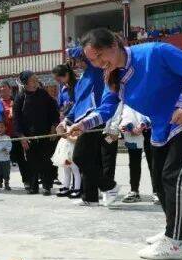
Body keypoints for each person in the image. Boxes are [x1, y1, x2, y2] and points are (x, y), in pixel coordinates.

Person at [68, 28, 182, 260]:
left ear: (113, 46)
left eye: (99, 56)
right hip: (163, 124)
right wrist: (83, 125)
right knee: (159, 179)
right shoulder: (112, 76)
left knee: (173, 176)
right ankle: (176, 230)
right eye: (91, 60)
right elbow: (106, 109)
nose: (97, 64)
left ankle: (175, 244)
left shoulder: (155, 52)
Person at [60, 47, 120, 207]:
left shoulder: (96, 71)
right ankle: (90, 196)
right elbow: (78, 104)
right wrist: (65, 120)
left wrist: (75, 51)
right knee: (89, 158)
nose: (77, 63)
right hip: (82, 121)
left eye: (79, 59)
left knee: (79, 157)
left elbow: (88, 55)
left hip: (94, 119)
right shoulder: (81, 80)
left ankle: (109, 186)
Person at [14, 70, 59, 195]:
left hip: (45, 134)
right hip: (28, 137)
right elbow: (16, 120)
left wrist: (54, 127)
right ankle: (33, 186)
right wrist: (21, 137)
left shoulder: (44, 94)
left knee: (46, 160)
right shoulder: (20, 98)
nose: (36, 82)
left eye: (36, 79)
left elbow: (54, 112)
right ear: (26, 83)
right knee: (31, 161)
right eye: (33, 80)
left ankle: (46, 185)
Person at [111, 103, 157, 204]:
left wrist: (143, 125)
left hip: (150, 130)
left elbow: (153, 107)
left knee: (153, 162)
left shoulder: (146, 88)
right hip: (131, 132)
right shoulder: (125, 92)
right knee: (134, 163)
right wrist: (125, 126)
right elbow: (122, 112)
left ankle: (157, 191)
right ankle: (134, 191)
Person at [0, 79, 29, 188]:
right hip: (1, 137)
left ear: (9, 89)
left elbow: (22, 117)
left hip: (15, 135)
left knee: (21, 159)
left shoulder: (16, 101)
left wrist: (23, 134)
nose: (1, 88)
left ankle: (27, 181)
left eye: (4, 86)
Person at [51, 64, 80, 198]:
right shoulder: (63, 89)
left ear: (66, 75)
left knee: (74, 161)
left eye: (59, 78)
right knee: (65, 161)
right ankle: (67, 185)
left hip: (77, 125)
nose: (58, 81)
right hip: (65, 125)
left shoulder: (78, 85)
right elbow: (61, 106)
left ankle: (77, 187)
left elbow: (79, 106)